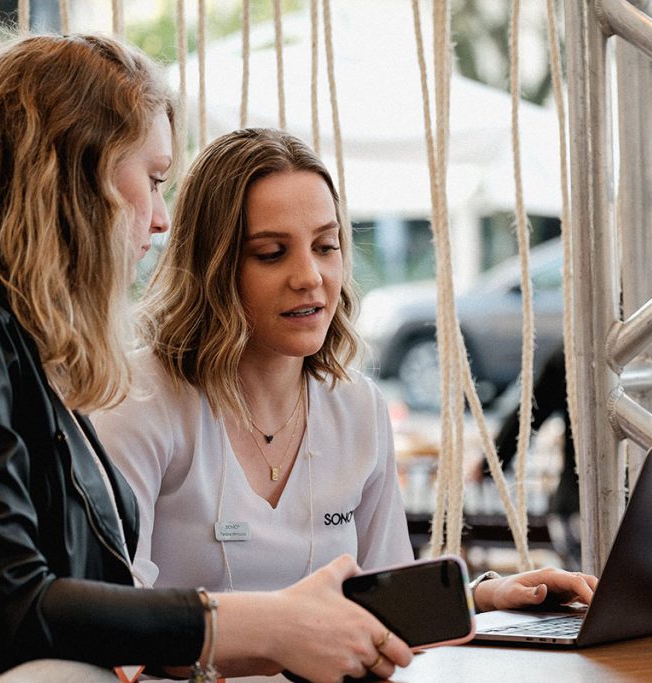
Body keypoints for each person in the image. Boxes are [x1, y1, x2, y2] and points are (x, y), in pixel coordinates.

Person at [0, 35, 412, 683]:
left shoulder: (15, 341)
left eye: (327, 246)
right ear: (76, 172)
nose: (163, 220)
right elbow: (2, 608)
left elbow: (89, 605)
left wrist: (296, 630)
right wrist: (267, 623)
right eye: (156, 180)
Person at [93, 128, 597, 616]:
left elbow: (388, 597)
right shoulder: (139, 401)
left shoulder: (357, 406)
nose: (309, 277)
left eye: (325, 246)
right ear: (212, 266)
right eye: (271, 253)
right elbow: (114, 617)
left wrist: (485, 597)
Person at [482, 345, 582, 568]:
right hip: (584, 508)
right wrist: (489, 465)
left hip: (575, 507)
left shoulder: (572, 352)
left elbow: (528, 415)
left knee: (588, 583)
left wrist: (488, 466)